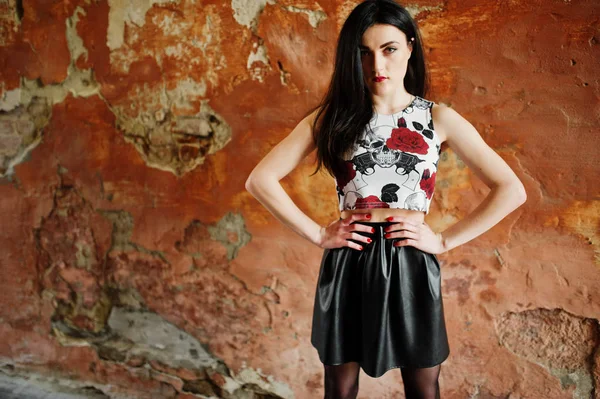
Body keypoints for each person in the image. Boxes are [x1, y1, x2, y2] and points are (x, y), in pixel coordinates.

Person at [245, 0, 527, 397]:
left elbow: (512, 190)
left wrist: (444, 241)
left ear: (410, 47)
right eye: (363, 52)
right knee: (339, 388)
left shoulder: (437, 118)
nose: (377, 64)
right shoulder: (332, 118)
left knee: (424, 386)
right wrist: (316, 234)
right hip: (349, 261)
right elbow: (260, 180)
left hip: (411, 261)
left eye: (389, 49)